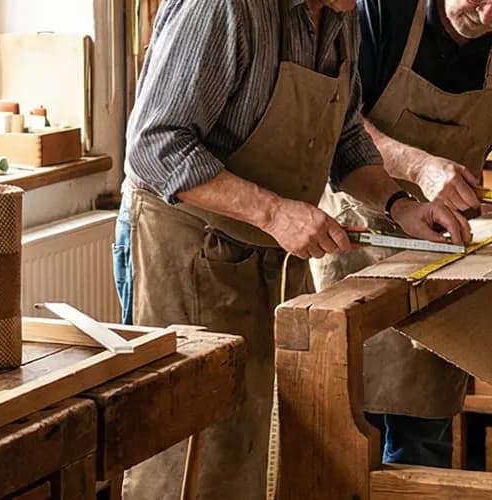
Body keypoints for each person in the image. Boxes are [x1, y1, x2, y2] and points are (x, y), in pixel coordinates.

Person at [118, 1, 472, 499]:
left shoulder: (339, 12)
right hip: (188, 249)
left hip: (268, 251)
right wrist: (275, 213)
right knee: (193, 457)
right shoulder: (226, 8)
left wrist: (399, 205)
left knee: (265, 446)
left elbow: (346, 139)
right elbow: (155, 145)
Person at [312, 0, 492, 469]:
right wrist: (420, 167)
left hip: (445, 249)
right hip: (360, 237)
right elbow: (341, 124)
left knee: (424, 431)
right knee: (345, 430)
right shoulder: (380, 13)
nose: (490, 13)